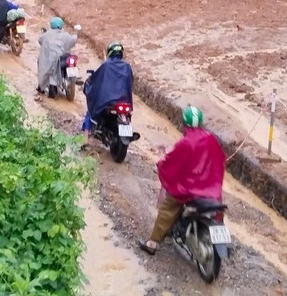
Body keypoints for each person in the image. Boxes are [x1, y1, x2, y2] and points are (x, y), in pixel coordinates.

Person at [138, 106, 226, 256]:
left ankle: (152, 243)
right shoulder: (211, 139)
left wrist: (161, 164)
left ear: (184, 123)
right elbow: (220, 159)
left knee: (168, 208)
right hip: (211, 189)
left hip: (190, 190)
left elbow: (172, 163)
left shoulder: (185, 143)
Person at [81, 42, 134, 148]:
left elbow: (96, 80)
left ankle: (84, 141)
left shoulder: (106, 65)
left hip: (107, 102)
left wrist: (89, 83)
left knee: (90, 113)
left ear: (110, 52)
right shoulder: (127, 66)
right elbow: (130, 81)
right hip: (125, 102)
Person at [36, 17, 78, 96]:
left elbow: (40, 41)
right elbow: (73, 40)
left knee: (41, 64)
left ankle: (42, 86)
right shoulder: (66, 35)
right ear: (61, 26)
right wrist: (75, 34)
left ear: (51, 25)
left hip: (49, 61)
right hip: (61, 61)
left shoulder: (46, 35)